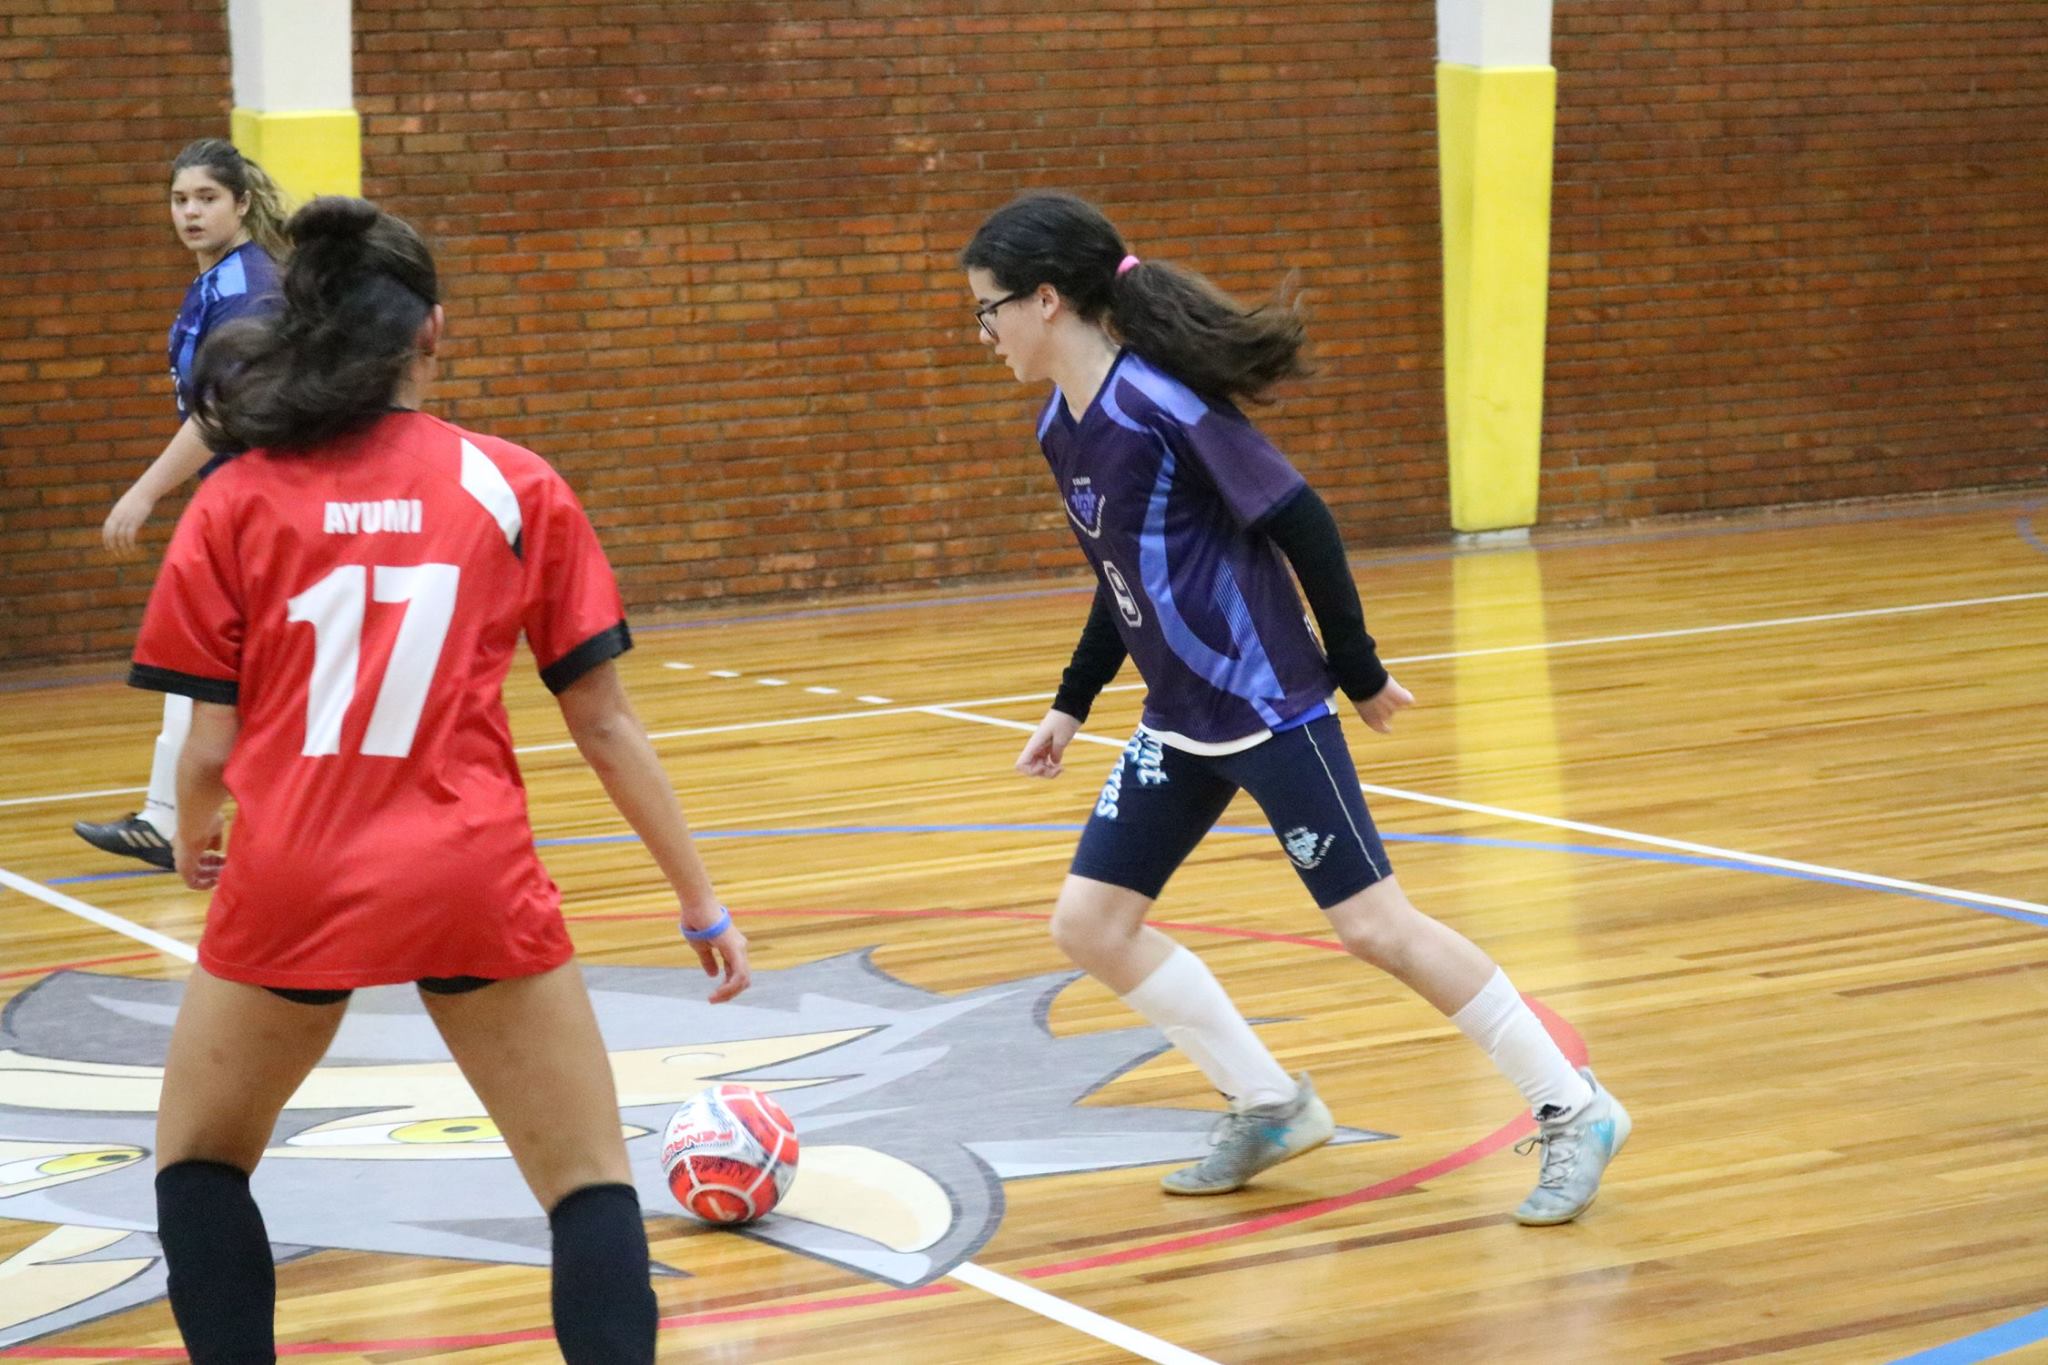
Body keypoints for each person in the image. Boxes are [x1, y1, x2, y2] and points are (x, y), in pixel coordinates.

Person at [131, 196, 750, 1364]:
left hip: (294, 872)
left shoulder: (235, 498)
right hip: (467, 871)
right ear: (432, 331)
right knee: (586, 1181)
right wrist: (698, 899)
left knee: (201, 1161)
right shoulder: (512, 484)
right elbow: (604, 724)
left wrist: (198, 832)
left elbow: (205, 751)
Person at [961, 191, 1628, 1225]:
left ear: (1044, 300)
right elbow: (1122, 570)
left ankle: (1573, 1107)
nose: (983, 332)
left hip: (1270, 706)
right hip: (1179, 719)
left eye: (987, 309)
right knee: (1090, 925)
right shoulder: (1062, 424)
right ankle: (1270, 1104)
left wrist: (1355, 670)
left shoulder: (1163, 405)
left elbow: (1301, 520)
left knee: (1374, 926)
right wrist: (1072, 701)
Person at [75, 138, 289, 870]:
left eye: (206, 198)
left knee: (226, 659)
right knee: (207, 655)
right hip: (237, 498)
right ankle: (168, 818)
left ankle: (184, 818)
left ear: (242, 203)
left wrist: (143, 492)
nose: (191, 212)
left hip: (271, 500)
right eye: (179, 199)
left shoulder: (249, 288)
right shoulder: (213, 282)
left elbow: (223, 411)